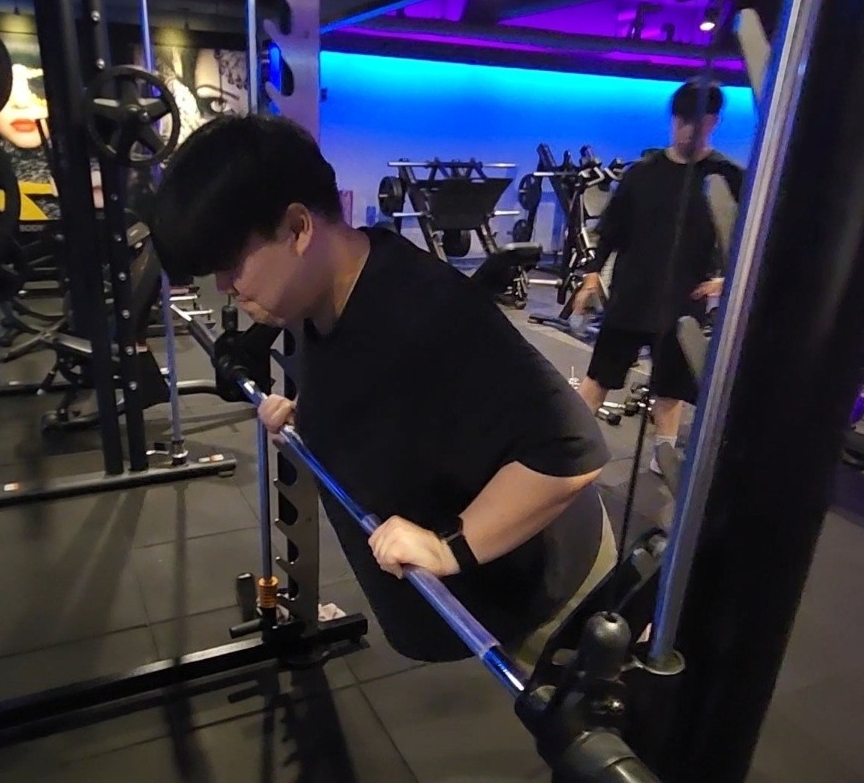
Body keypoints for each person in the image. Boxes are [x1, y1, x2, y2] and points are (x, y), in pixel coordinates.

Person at [150, 113, 617, 666]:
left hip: (554, 600)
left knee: (574, 717)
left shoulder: (428, 312)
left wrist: (448, 546)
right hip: (501, 595)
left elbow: (572, 450)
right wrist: (310, 417)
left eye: (231, 265)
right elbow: (396, 390)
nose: (224, 286)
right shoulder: (324, 297)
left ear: (298, 229)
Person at [568, 79, 745, 473]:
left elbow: (748, 238)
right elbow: (611, 232)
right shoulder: (643, 174)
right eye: (681, 122)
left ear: (713, 122)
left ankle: (663, 456)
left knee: (670, 390)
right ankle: (572, 446)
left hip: (684, 301)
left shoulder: (728, 178)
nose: (686, 131)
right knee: (599, 378)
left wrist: (726, 282)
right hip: (632, 296)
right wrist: (592, 275)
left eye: (696, 123)